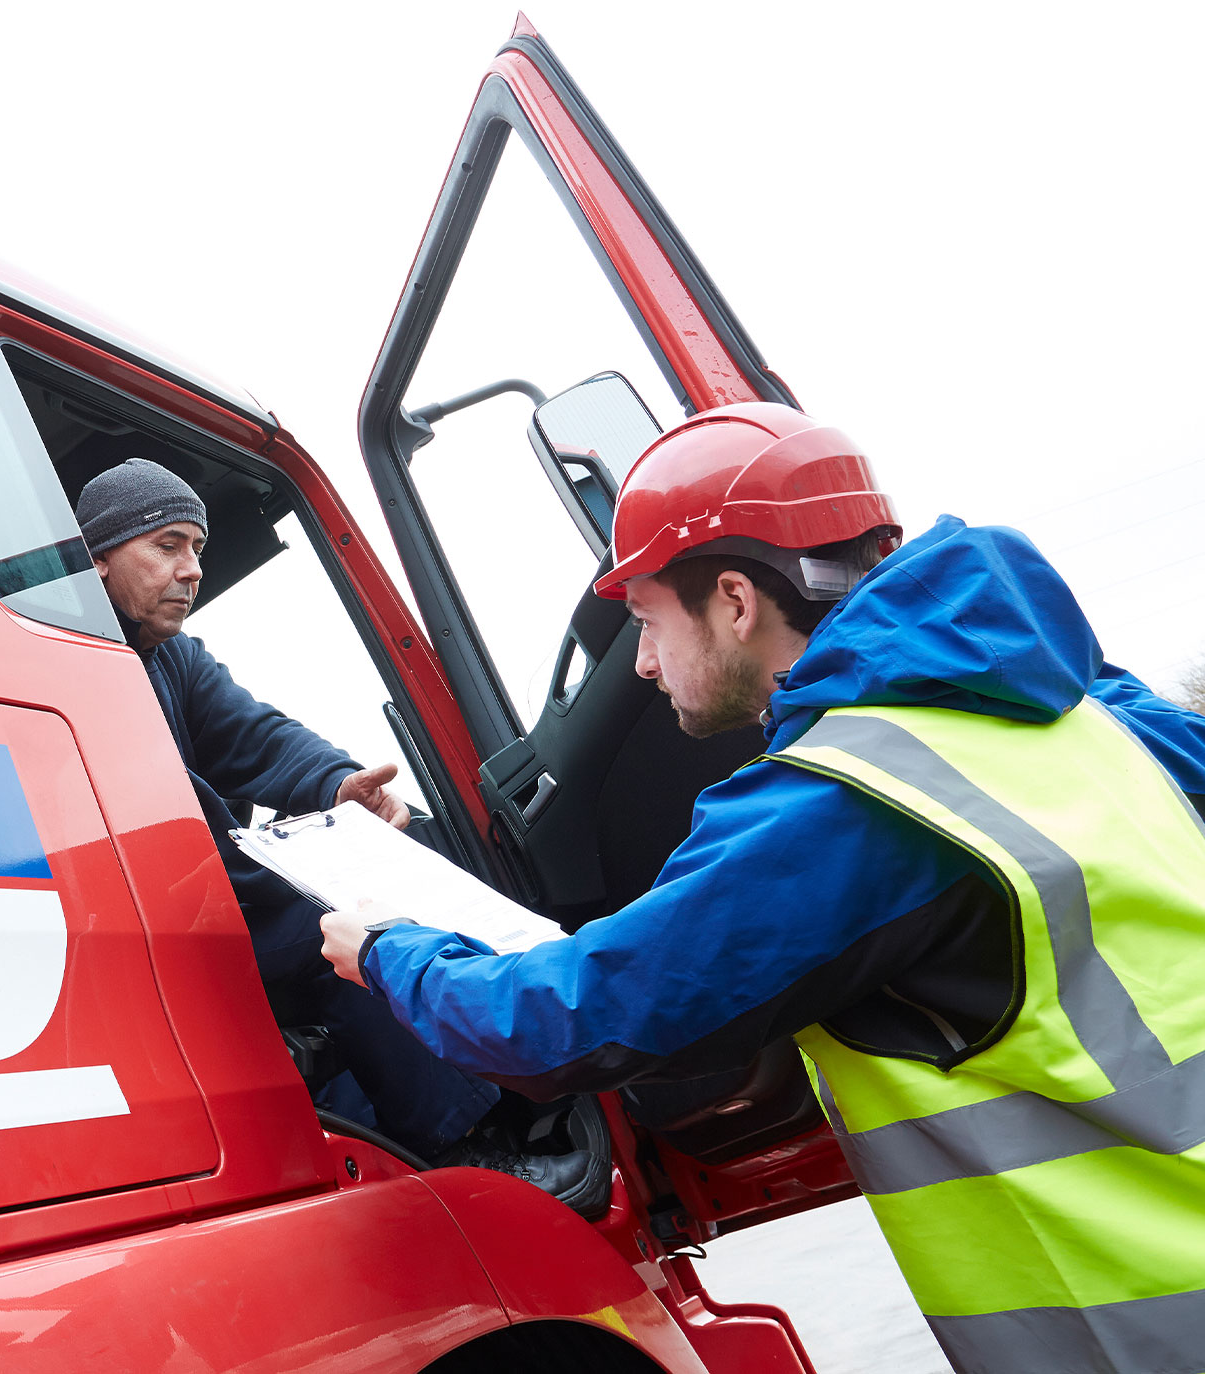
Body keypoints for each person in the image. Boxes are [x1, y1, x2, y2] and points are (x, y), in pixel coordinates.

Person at [319, 402, 1205, 1374]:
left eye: (647, 620)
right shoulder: (1104, 720)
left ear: (736, 601)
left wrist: (387, 949)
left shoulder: (848, 806)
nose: (644, 663)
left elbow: (562, 1020)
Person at [77, 458, 594, 1192]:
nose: (192, 569)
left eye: (198, 548)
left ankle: (526, 1068)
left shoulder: (174, 660)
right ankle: (468, 1149)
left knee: (409, 855)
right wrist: (315, 869)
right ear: (98, 558)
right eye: (167, 546)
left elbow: (258, 737)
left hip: (202, 903)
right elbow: (174, 818)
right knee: (334, 923)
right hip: (153, 918)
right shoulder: (73, 663)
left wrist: (339, 786)